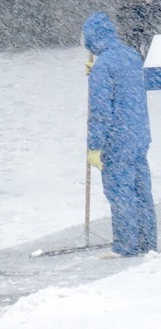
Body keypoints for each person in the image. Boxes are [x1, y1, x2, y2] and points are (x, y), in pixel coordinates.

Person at [82, 12, 157, 258]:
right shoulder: (131, 55)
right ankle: (148, 241)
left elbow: (101, 112)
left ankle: (126, 245)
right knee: (140, 191)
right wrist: (98, 71)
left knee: (120, 191)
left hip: (117, 140)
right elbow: (131, 86)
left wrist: (94, 147)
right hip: (138, 135)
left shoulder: (104, 66)